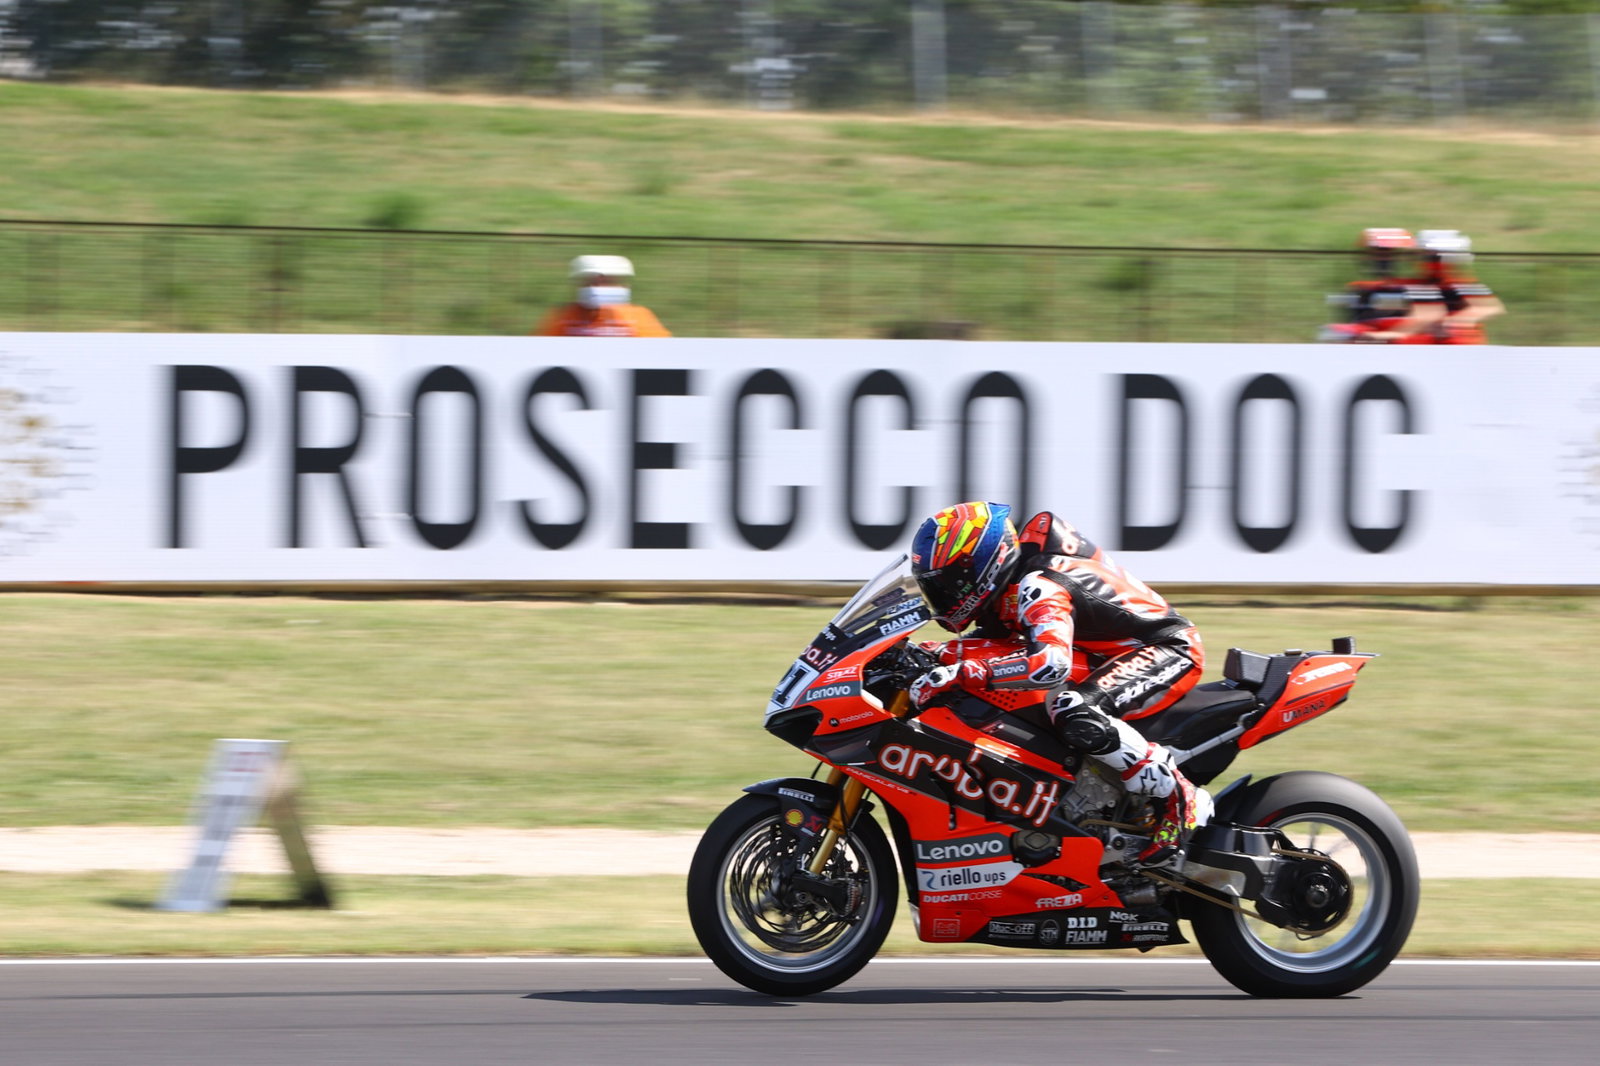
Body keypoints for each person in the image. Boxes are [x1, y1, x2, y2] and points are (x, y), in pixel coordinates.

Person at [906, 501, 1212, 868]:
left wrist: (964, 672)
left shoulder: (1040, 586)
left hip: (1166, 649)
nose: (942, 598)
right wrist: (924, 654)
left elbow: (1050, 665)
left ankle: (1179, 796)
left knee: (1073, 709)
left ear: (981, 569)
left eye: (947, 585)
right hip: (1102, 652)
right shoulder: (1007, 589)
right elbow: (992, 647)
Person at [1335, 227, 1445, 343]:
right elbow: (1356, 323)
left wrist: (1386, 336)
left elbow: (1426, 321)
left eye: (1389, 253)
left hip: (1409, 344)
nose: (1384, 259)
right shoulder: (1361, 288)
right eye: (1378, 252)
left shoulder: (1420, 287)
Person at [533, 255, 671, 337]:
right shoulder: (563, 317)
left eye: (609, 281)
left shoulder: (638, 316)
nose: (600, 287)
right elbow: (537, 348)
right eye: (593, 282)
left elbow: (661, 350)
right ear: (580, 285)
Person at [1414, 230, 1504, 344]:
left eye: (1433, 257)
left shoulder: (1459, 283)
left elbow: (1490, 308)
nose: (1426, 261)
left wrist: (1452, 321)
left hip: (1461, 344)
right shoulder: (1423, 284)